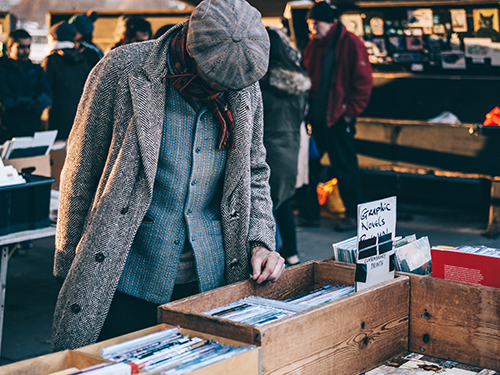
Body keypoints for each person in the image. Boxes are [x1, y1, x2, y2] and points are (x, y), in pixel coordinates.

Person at [51, 0, 285, 352]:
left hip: (212, 279)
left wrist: (262, 240)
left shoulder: (243, 85)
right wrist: (70, 266)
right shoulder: (120, 69)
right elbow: (81, 170)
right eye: (214, 81)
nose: (223, 93)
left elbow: (254, 169)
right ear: (191, 49)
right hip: (124, 273)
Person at [301, 1, 373, 232]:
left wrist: (349, 113)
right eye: (310, 23)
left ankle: (354, 216)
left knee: (345, 168)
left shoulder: (350, 43)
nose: (312, 28)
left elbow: (363, 82)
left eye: (316, 23)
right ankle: (310, 214)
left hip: (338, 119)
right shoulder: (314, 45)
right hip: (317, 119)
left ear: (330, 22)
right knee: (308, 167)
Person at [259, 27, 310, 266]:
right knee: (283, 201)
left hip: (267, 148)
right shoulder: (298, 82)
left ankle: (273, 255)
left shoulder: (263, 82)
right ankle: (291, 253)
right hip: (292, 147)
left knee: (264, 206)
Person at [42, 21, 92, 140]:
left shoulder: (51, 60)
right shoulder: (82, 60)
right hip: (79, 116)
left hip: (57, 117)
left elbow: (46, 90)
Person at [0, 29, 51, 143]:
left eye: (28, 47)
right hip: (6, 131)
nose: (26, 51)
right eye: (21, 47)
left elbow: (46, 97)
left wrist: (21, 102)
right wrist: (31, 102)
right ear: (10, 47)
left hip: (31, 130)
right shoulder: (2, 69)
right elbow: (5, 100)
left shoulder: (36, 70)